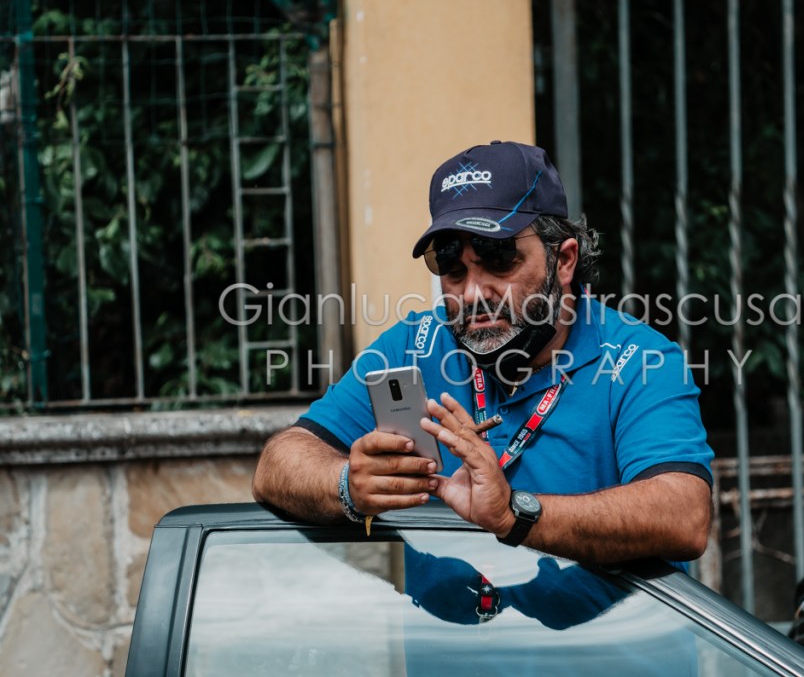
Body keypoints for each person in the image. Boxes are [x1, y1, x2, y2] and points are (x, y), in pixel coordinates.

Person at [252, 140, 713, 565]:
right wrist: (349, 485)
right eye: (452, 268)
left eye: (499, 259)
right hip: (446, 635)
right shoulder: (414, 344)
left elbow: (684, 515)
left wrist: (515, 515)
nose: (472, 292)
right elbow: (278, 464)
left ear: (564, 260)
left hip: (608, 633)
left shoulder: (638, 359)